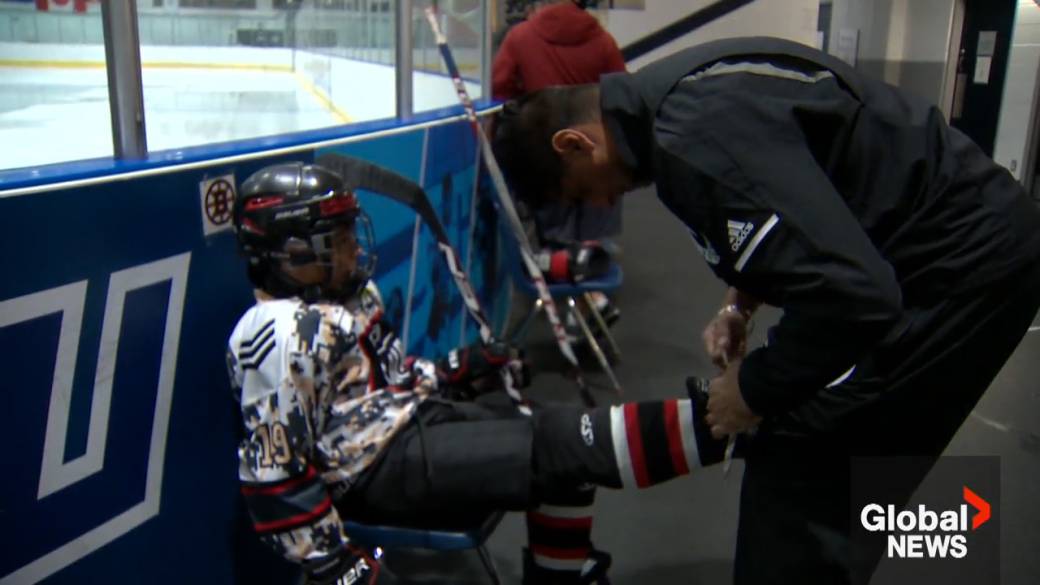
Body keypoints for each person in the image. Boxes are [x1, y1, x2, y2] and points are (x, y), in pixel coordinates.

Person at [490, 36, 1040, 584]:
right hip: (908, 250)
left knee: (810, 466)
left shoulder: (693, 140)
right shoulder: (672, 98)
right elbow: (800, 201)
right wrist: (740, 303)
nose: (602, 203)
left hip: (961, 268)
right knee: (800, 430)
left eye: (582, 194)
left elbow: (859, 297)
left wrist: (751, 389)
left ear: (574, 144)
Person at [226, 162, 731, 585]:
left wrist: (450, 371)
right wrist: (334, 563)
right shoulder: (279, 334)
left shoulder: (345, 296)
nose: (353, 250)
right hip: (373, 469)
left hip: (408, 430)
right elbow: (275, 472)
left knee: (567, 450)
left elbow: (384, 383)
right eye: (334, 242)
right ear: (289, 255)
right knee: (564, 443)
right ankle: (722, 426)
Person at [493, 0, 626, 330]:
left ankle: (581, 296)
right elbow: (622, 92)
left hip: (547, 156)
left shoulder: (521, 37)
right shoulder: (602, 40)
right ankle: (588, 297)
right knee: (592, 222)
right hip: (595, 155)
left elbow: (500, 90)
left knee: (553, 227)